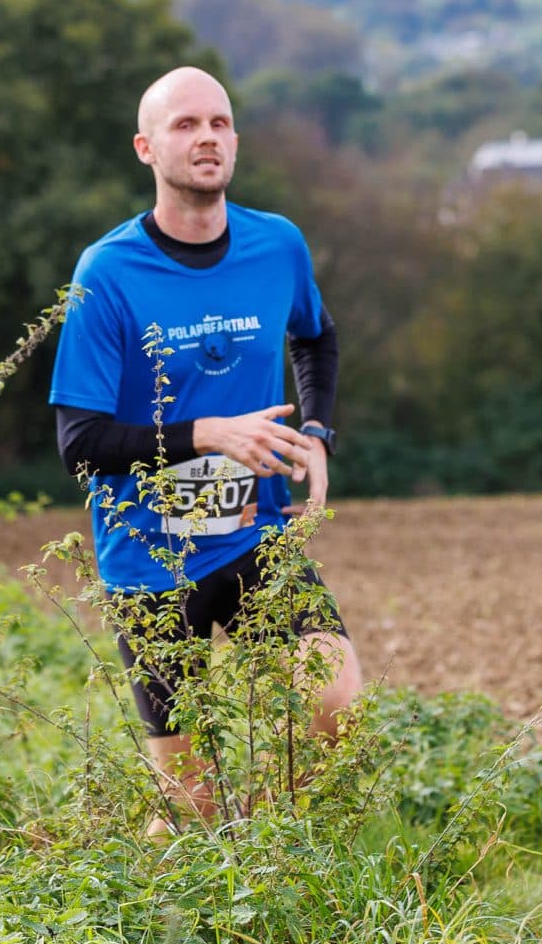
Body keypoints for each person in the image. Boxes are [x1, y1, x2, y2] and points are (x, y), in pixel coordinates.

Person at [49, 65, 362, 824]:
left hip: (255, 532)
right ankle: (183, 879)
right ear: (146, 148)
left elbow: (316, 339)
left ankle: (271, 866)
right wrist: (204, 434)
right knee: (189, 807)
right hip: (148, 560)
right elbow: (80, 444)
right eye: (186, 125)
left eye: (219, 123)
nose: (207, 138)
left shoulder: (277, 244)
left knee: (335, 706)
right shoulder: (108, 271)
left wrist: (314, 430)